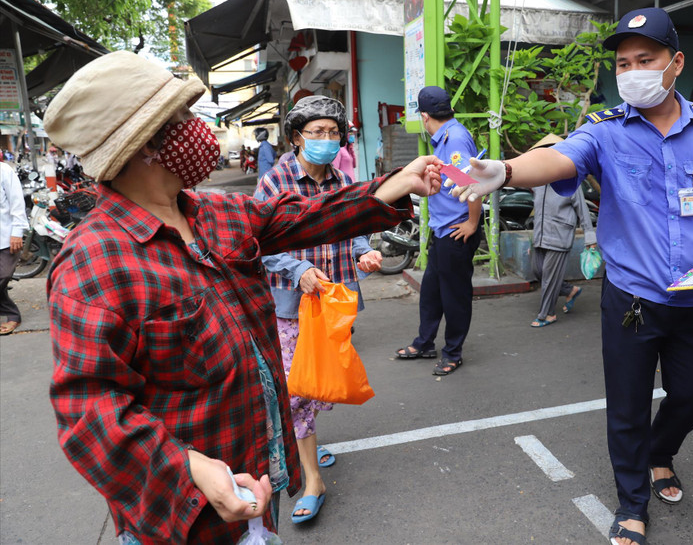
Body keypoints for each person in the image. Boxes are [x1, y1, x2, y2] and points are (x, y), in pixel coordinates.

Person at [42, 50, 442, 544]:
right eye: (182, 119)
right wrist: (186, 469)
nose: (198, 129)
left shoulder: (211, 212)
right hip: (184, 521)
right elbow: (90, 413)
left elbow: (303, 216)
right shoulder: (94, 263)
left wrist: (396, 185)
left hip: (257, 488)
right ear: (144, 144)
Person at [446, 8, 693, 545]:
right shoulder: (605, 131)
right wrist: (507, 171)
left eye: (646, 59)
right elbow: (561, 160)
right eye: (623, 62)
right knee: (628, 405)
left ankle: (662, 451)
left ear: (675, 63)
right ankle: (632, 502)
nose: (632, 70)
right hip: (633, 298)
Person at [254, 96, 383, 524]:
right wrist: (298, 269)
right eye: (317, 133)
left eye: (333, 133)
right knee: (297, 389)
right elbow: (259, 243)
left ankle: (303, 440)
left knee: (320, 379)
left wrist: (365, 253)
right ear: (296, 137)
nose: (327, 140)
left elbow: (354, 230)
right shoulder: (276, 182)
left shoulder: (342, 179)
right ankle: (312, 480)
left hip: (334, 303)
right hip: (292, 305)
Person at [395, 86, 483, 376]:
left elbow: (471, 184)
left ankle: (453, 352)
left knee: (454, 295)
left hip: (456, 232)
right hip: (442, 229)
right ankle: (425, 343)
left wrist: (471, 223)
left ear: (424, 116)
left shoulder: (454, 139)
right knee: (431, 292)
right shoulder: (446, 135)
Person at [527, 135, 597, 328]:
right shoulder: (538, 181)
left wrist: (589, 238)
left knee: (549, 279)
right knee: (538, 271)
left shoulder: (569, 181)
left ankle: (547, 314)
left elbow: (582, 210)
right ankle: (569, 290)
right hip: (540, 234)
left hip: (560, 235)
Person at [0, 161, 28, 335]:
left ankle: (12, 314)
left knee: (3, 276)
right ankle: (12, 315)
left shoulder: (4, 171)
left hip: (6, 237)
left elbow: (17, 203)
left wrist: (17, 232)